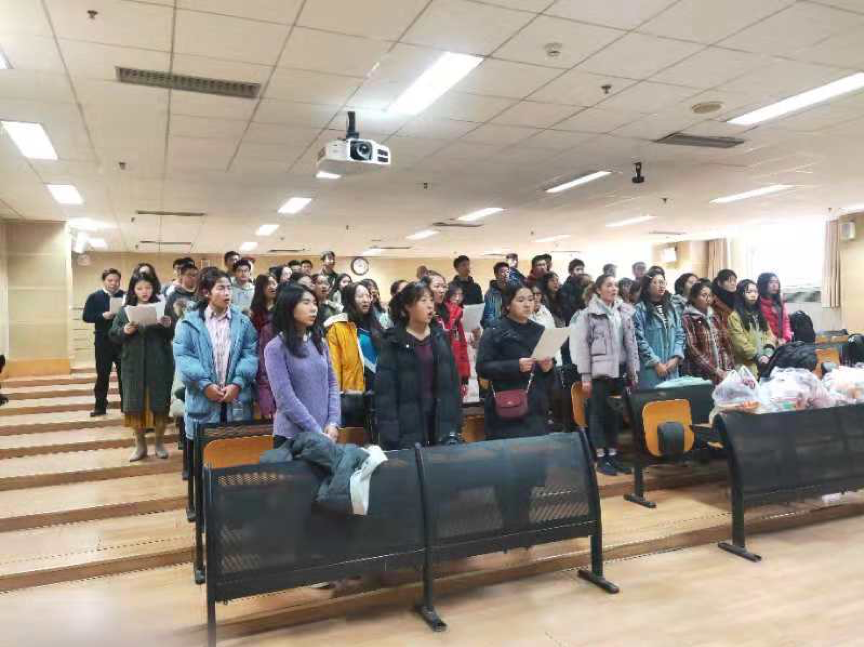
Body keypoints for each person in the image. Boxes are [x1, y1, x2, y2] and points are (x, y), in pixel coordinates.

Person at [173, 267, 259, 447]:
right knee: (204, 454)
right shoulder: (189, 323)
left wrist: (237, 383)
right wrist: (204, 385)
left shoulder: (243, 321)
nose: (227, 293)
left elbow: (250, 354)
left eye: (229, 288)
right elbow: (184, 357)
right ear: (206, 292)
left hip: (235, 400)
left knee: (235, 453)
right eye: (221, 288)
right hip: (203, 399)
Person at [375, 282, 463, 449]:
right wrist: (391, 434)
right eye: (423, 300)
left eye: (431, 300)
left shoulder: (439, 337)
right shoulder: (394, 341)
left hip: (440, 422)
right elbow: (385, 394)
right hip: (408, 427)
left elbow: (453, 383)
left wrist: (456, 421)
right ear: (408, 306)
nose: (430, 305)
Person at [570, 274, 639, 476]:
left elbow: (631, 343)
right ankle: (601, 458)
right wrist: (585, 377)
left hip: (620, 372)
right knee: (598, 415)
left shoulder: (623, 312)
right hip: (599, 374)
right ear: (598, 290)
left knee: (615, 416)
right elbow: (582, 347)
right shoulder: (587, 315)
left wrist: (633, 371)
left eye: (615, 285)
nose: (614, 288)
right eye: (609, 285)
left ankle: (613, 455)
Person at [109, 272, 175, 461]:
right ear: (133, 290)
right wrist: (124, 330)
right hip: (133, 365)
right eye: (139, 288)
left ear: (153, 288)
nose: (144, 291)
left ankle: (159, 443)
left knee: (160, 405)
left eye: (148, 287)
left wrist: (167, 325)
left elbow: (173, 333)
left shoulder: (163, 307)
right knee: (135, 406)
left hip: (159, 363)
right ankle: (140, 446)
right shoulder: (125, 311)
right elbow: (113, 334)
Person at [264, 284, 340, 447]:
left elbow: (332, 383)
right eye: (306, 303)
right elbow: (285, 398)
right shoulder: (275, 347)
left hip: (326, 433)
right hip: (292, 437)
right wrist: (315, 431)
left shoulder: (320, 343)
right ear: (289, 307)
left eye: (315, 303)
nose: (313, 308)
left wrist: (333, 422)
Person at [477, 282, 554, 439]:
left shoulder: (539, 330)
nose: (527, 304)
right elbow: (482, 367)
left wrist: (548, 368)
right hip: (506, 405)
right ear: (507, 304)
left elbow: (549, 373)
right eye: (520, 300)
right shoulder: (494, 330)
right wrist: (515, 365)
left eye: (530, 299)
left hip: (535, 406)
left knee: (538, 450)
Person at [82, 268, 125, 417]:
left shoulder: (125, 296)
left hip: (122, 341)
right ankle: (100, 406)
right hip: (103, 342)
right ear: (104, 281)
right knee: (102, 374)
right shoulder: (94, 297)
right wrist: (102, 316)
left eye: (116, 280)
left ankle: (126, 406)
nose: (114, 283)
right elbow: (86, 316)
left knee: (124, 375)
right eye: (110, 280)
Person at [633, 270, 685, 389]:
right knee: (654, 399)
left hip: (672, 368)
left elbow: (680, 334)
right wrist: (656, 363)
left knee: (674, 399)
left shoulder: (671, 308)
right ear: (647, 287)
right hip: (651, 370)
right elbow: (639, 340)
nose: (660, 286)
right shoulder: (639, 310)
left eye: (662, 282)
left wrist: (676, 357)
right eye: (655, 282)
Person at [326, 281, 382, 392]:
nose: (366, 300)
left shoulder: (376, 325)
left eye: (368, 296)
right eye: (360, 296)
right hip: (354, 392)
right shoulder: (337, 328)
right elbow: (334, 367)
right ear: (349, 300)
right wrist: (337, 395)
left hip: (380, 388)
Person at [682, 279, 734, 385]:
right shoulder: (687, 319)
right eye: (703, 295)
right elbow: (692, 349)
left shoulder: (715, 317)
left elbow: (723, 344)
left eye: (710, 295)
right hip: (699, 373)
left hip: (721, 372)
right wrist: (714, 369)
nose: (708, 299)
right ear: (693, 298)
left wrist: (727, 368)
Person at [727, 279, 777, 375]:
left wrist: (767, 354)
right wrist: (759, 357)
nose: (753, 295)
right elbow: (740, 344)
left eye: (756, 292)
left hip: (765, 362)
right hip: (747, 367)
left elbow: (770, 335)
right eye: (749, 292)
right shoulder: (734, 317)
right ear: (741, 294)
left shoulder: (760, 314)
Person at [444, 283, 471, 388]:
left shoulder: (459, 314)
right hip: (446, 370)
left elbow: (462, 346)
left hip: (458, 369)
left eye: (460, 295)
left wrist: (465, 376)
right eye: (454, 295)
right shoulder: (443, 314)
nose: (458, 298)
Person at [529, 284, 562, 364]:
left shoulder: (546, 312)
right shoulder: (524, 313)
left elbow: (554, 336)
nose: (535, 297)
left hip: (550, 357)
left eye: (538, 294)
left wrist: (558, 361)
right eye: (533, 294)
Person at [757, 272, 792, 344]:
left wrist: (785, 338)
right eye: (771, 282)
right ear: (763, 284)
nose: (774, 285)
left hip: (782, 340)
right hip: (766, 342)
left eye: (776, 282)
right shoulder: (757, 303)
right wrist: (773, 341)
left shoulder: (779, 301)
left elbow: (786, 322)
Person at [559, 258, 587, 324]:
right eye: (578, 269)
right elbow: (567, 308)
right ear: (571, 272)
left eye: (582, 269)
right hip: (573, 321)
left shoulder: (585, 284)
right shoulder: (566, 287)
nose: (580, 272)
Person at [482, 261, 509, 327]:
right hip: (498, 327)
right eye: (502, 272)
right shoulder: (490, 294)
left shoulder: (512, 290)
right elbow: (488, 317)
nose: (506, 274)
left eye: (507, 272)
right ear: (496, 274)